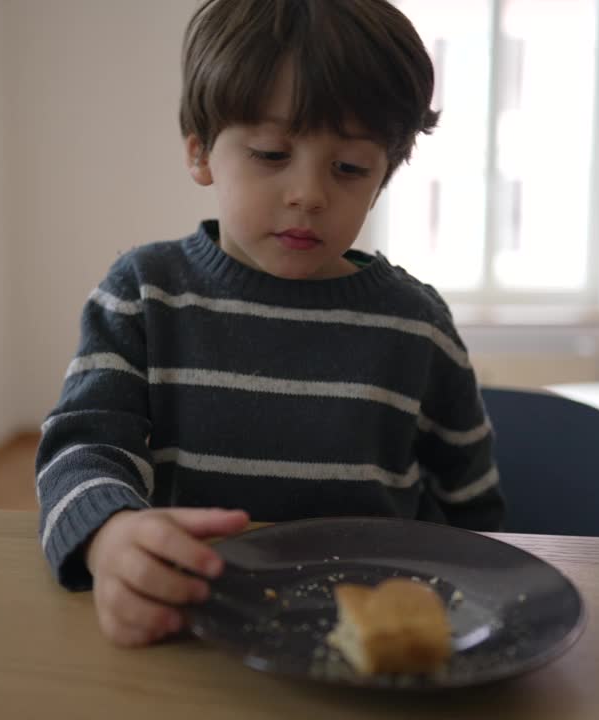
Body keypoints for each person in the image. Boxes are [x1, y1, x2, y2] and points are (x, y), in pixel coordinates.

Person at [36, 0, 504, 647]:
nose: (308, 193)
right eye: (270, 153)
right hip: (196, 626)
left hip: (370, 649)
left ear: (384, 176)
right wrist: (108, 534)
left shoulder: (417, 324)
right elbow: (83, 449)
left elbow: (472, 511)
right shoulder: (144, 294)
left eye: (348, 168)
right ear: (200, 153)